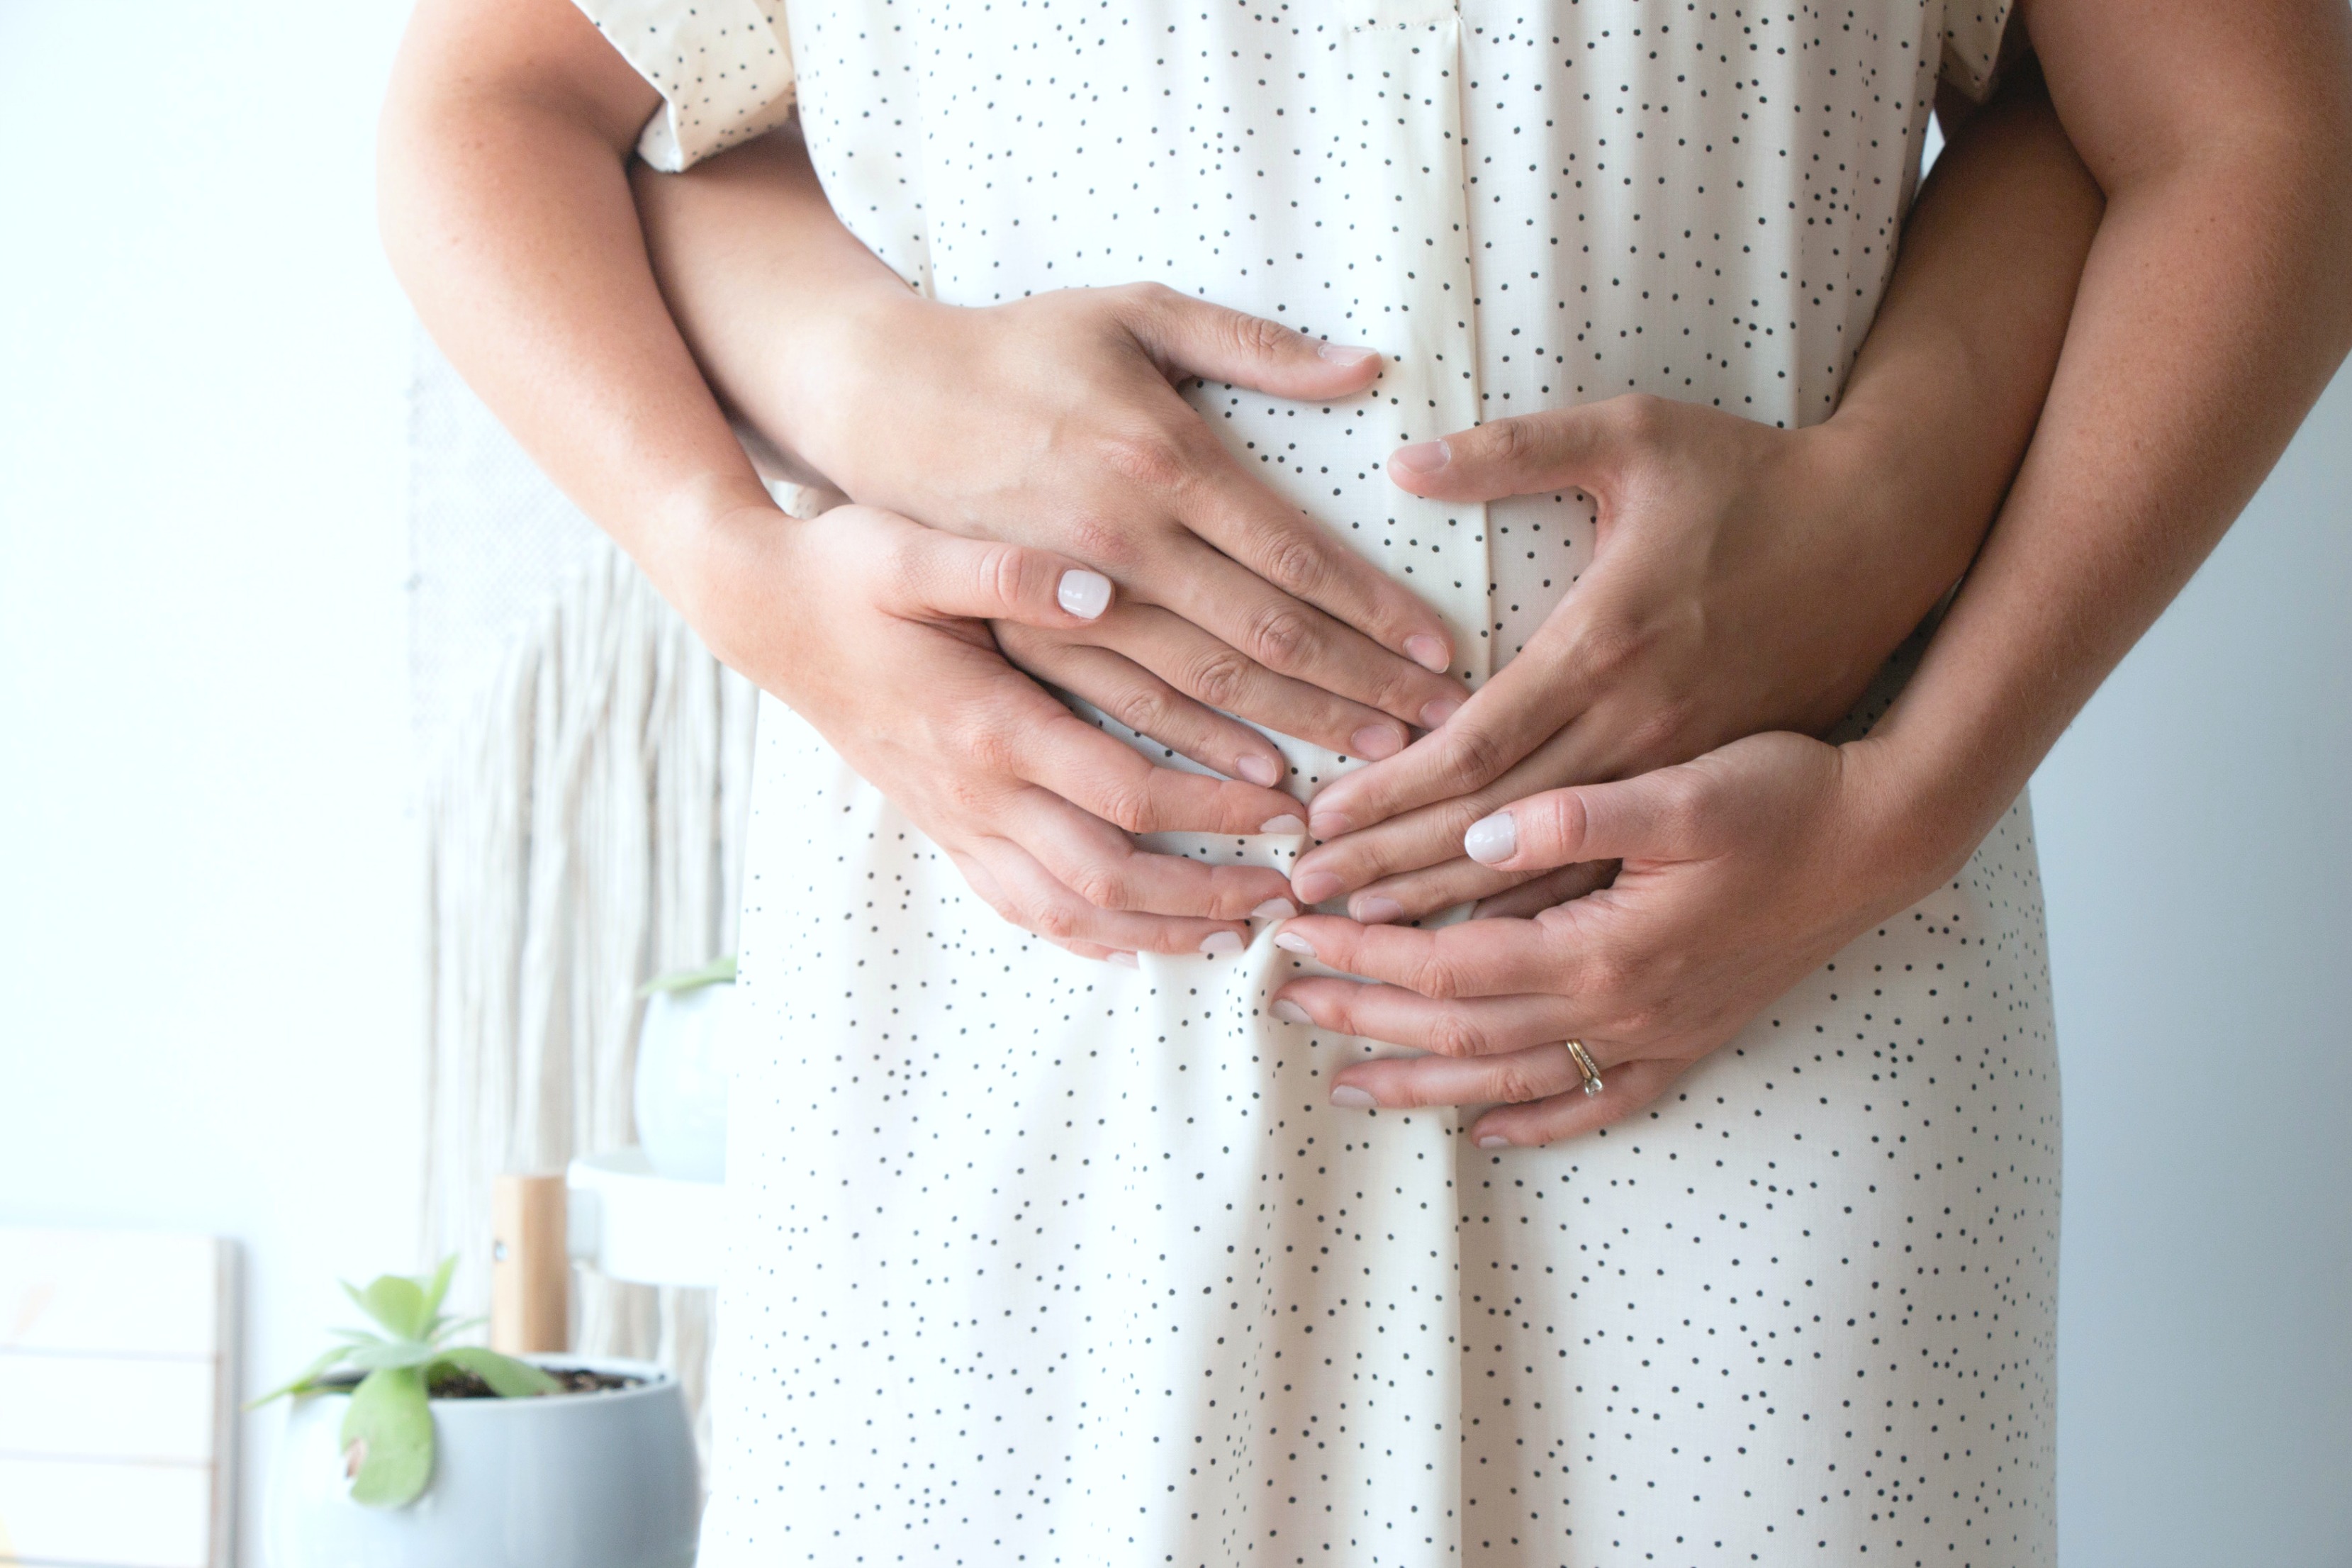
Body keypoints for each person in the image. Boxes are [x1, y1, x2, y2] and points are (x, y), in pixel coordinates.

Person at [376, 0, 2351, 1560]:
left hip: (1755, 1000)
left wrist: (1911, 788)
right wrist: (755, 578)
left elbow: (2236, 125)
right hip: (1027, 1033)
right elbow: (500, 99)